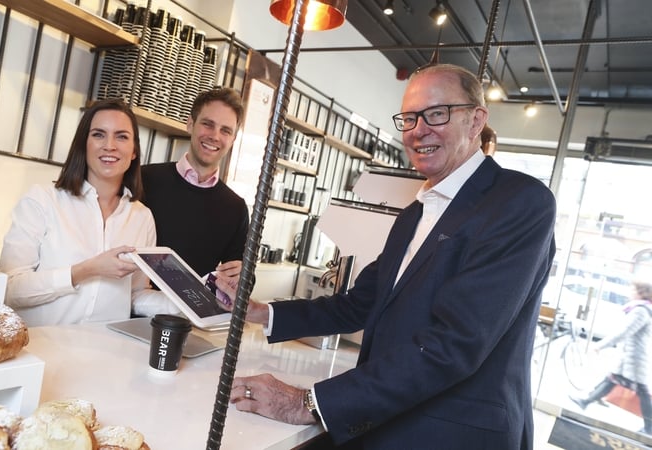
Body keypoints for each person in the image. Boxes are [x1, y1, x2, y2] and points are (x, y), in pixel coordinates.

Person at [220, 64, 557, 449]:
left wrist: (306, 402)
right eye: (410, 118)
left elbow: (455, 344)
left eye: (437, 113)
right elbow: (360, 303)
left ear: (476, 120)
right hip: (386, 420)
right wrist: (264, 313)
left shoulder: (518, 202)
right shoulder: (414, 213)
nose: (418, 129)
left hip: (450, 435)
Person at [0, 99, 164, 326]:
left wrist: (198, 301)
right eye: (98, 134)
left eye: (122, 136)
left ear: (134, 150)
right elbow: (10, 289)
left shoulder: (142, 217)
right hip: (39, 350)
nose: (110, 145)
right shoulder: (42, 200)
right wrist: (86, 270)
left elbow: (135, 294)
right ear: (83, 144)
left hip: (104, 352)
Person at [141, 87, 249, 280]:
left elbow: (240, 276)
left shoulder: (236, 208)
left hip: (190, 310)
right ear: (190, 124)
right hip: (132, 305)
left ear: (233, 139)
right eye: (208, 124)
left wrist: (243, 275)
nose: (215, 136)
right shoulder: (144, 179)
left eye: (225, 130)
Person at [569, 279, 652, 434]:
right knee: (612, 379)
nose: (630, 292)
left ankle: (650, 427)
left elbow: (623, 332)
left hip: (635, 359)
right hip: (631, 357)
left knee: (642, 391)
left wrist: (600, 345)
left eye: (632, 289)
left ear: (641, 292)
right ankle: (585, 401)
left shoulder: (640, 310)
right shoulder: (641, 309)